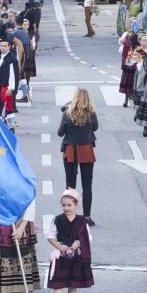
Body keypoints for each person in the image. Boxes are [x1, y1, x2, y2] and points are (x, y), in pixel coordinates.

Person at [45, 189, 93, 293]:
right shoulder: (58, 219)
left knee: (73, 282)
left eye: (69, 205)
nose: (66, 208)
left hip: (76, 255)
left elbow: (88, 237)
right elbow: (50, 236)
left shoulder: (82, 220)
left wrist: (79, 242)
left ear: (76, 205)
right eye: (64, 205)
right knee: (58, 283)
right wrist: (60, 247)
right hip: (61, 255)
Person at [57, 89, 99, 224]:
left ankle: (70, 215)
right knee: (87, 185)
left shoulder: (67, 113)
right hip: (86, 150)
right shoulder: (91, 114)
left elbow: (60, 132)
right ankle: (87, 217)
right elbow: (95, 128)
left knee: (70, 185)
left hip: (70, 150)